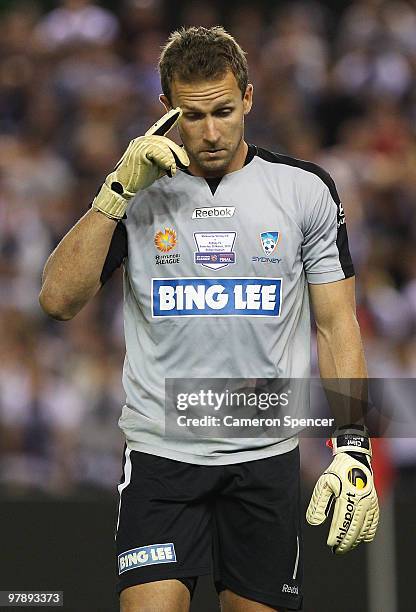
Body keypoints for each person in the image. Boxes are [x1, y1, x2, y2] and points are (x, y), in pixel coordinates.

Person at [39, 26, 379, 612]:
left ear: (248, 97)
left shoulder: (304, 191)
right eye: (193, 116)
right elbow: (57, 300)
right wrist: (116, 189)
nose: (212, 131)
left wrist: (353, 447)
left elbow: (336, 325)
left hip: (264, 457)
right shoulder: (137, 191)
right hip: (160, 458)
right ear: (166, 109)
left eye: (224, 110)